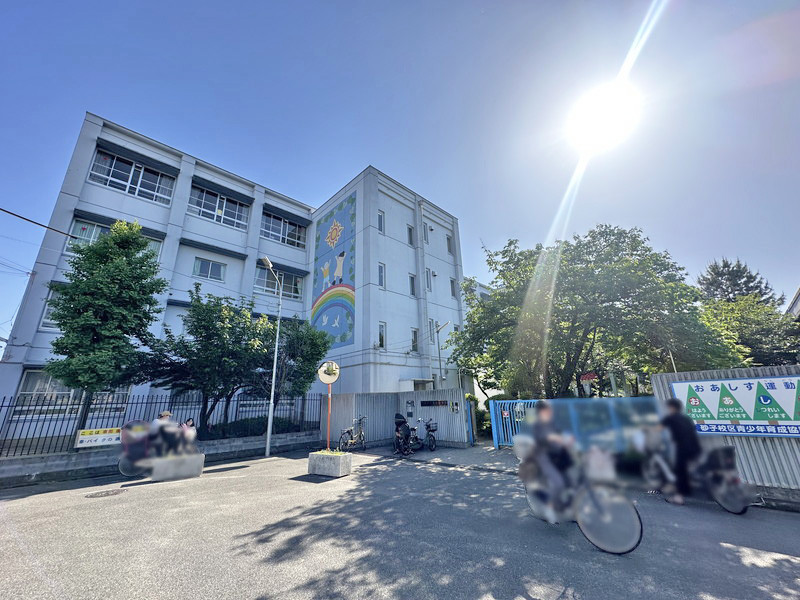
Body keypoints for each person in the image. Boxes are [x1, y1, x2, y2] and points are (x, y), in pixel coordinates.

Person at [530, 400, 573, 524]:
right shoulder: (537, 425)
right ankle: (550, 509)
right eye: (547, 409)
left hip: (558, 456)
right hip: (544, 458)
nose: (549, 411)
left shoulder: (553, 423)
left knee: (570, 482)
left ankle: (568, 508)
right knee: (558, 483)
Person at [660, 397, 703, 505]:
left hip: (683, 448)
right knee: (690, 468)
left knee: (680, 471)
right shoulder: (686, 418)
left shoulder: (670, 418)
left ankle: (679, 497)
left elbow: (658, 428)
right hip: (696, 447)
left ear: (671, 407)